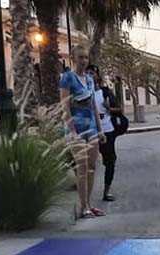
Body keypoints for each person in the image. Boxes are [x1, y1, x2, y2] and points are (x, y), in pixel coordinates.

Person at [60, 45, 105, 219]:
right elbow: (64, 105)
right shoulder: (67, 78)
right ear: (74, 58)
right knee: (82, 167)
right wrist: (72, 131)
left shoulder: (90, 80)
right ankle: (83, 206)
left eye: (86, 57)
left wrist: (100, 130)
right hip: (76, 128)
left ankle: (89, 204)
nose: (84, 61)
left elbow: (93, 104)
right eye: (81, 57)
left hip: (91, 127)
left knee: (92, 167)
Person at [87, 65, 119, 202]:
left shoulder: (105, 93)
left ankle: (106, 192)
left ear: (97, 76)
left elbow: (119, 109)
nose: (90, 75)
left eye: (92, 73)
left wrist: (108, 108)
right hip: (90, 131)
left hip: (107, 130)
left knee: (110, 162)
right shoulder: (83, 92)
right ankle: (85, 195)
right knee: (88, 163)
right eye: (87, 73)